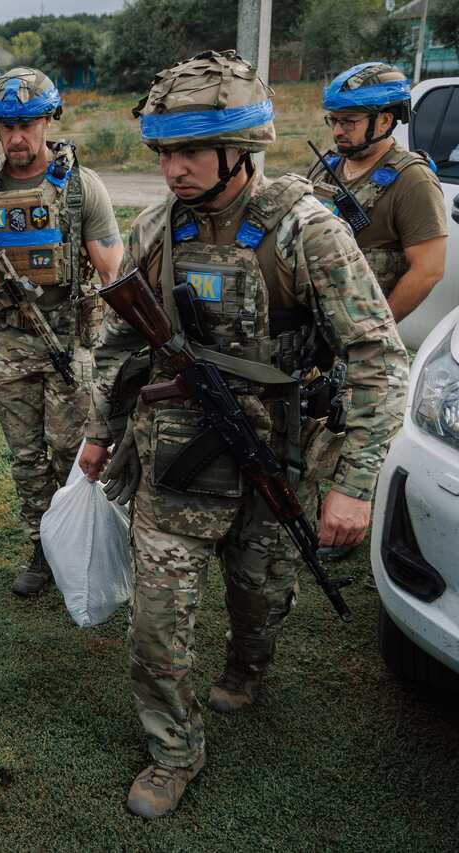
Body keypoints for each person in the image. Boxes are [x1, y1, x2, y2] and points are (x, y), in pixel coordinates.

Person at [79, 50, 408, 819]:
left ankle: (246, 669)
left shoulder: (305, 231)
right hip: (174, 462)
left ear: (240, 149)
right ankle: (172, 748)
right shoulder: (156, 226)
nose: (173, 170)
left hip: (275, 459)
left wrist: (355, 483)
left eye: (189, 151)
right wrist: (99, 433)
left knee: (260, 600)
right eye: (163, 152)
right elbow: (127, 347)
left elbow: (378, 358)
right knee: (156, 629)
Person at [0, 66, 123, 598]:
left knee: (74, 455)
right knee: (25, 457)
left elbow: (113, 272)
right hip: (8, 347)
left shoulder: (80, 188)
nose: (17, 138)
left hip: (67, 343)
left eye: (28, 125)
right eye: (6, 127)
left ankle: (82, 548)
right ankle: (41, 548)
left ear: (48, 121)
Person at [307, 61, 446, 322]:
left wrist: (376, 330)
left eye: (349, 122)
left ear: (384, 121)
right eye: (334, 120)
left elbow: (429, 270)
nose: (337, 131)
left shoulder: (413, 180)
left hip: (361, 333)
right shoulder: (326, 168)